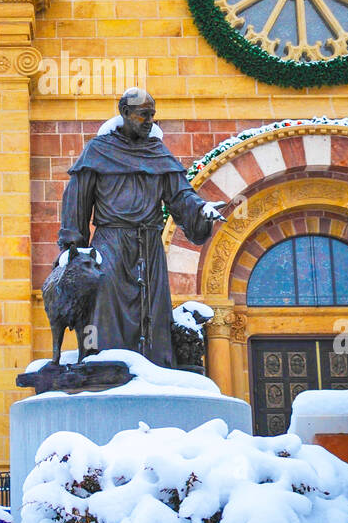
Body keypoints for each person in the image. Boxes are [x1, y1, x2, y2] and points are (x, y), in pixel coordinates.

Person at [57, 88, 223, 367]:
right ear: (124, 113)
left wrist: (200, 210)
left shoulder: (157, 152)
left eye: (152, 116)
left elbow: (180, 194)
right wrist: (74, 248)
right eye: (143, 115)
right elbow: (77, 200)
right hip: (110, 242)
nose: (149, 121)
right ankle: (95, 361)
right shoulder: (98, 151)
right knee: (99, 304)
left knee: (153, 313)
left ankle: (153, 370)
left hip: (149, 246)